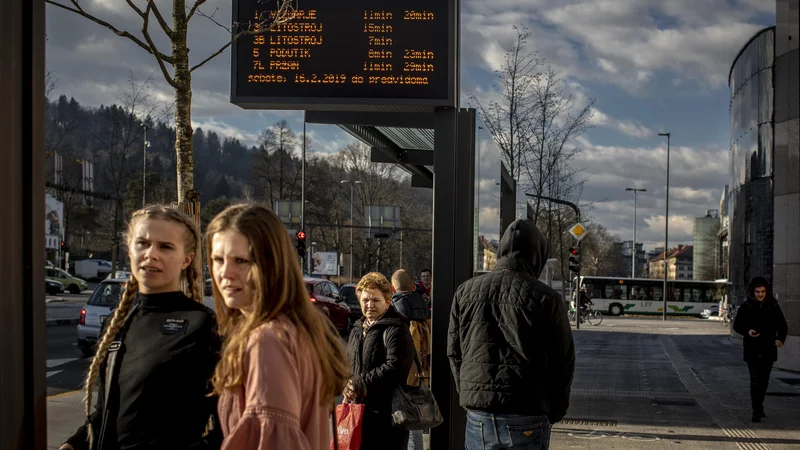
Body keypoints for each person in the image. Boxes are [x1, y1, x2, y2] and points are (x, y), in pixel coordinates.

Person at [60, 205, 221, 450]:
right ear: (129, 249)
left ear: (187, 259)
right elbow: (105, 415)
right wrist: (73, 444)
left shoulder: (204, 325)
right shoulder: (118, 322)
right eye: (143, 243)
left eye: (165, 246)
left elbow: (225, 430)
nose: (151, 254)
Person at [206, 203, 349, 449]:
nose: (225, 273)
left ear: (272, 265)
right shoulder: (294, 328)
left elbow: (274, 439)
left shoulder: (268, 340)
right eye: (218, 259)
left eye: (241, 260)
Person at [448, 219, 575, 450]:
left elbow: (454, 351)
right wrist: (556, 409)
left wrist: (468, 393)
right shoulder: (546, 298)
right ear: (537, 255)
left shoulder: (465, 292)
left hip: (479, 413)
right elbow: (562, 360)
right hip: (527, 408)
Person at [344, 272, 415, 450]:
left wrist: (359, 383)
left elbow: (395, 367)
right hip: (358, 414)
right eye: (365, 300)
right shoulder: (357, 328)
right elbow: (348, 363)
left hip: (387, 418)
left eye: (375, 300)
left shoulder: (396, 328)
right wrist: (346, 384)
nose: (369, 305)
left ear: (388, 301)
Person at [732, 276, 788, 422]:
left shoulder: (773, 306)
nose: (760, 294)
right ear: (753, 292)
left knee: (763, 381)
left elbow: (783, 326)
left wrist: (780, 339)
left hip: (768, 349)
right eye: (757, 292)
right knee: (754, 380)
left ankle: (759, 404)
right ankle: (756, 410)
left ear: (766, 292)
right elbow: (737, 326)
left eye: (763, 291)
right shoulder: (746, 307)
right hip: (752, 349)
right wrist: (748, 331)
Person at [390, 269, 432, 450]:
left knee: (404, 426)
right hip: (421, 372)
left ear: (393, 288)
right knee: (415, 423)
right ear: (414, 286)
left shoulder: (393, 311)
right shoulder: (423, 309)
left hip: (403, 375)